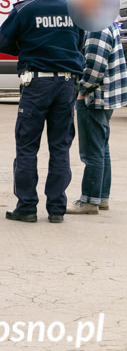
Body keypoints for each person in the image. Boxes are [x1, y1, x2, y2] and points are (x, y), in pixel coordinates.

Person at [0, 0, 84, 224]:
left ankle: (27, 207)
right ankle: (57, 209)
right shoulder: (73, 9)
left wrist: (26, 48)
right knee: (60, 148)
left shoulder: (24, 9)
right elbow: (78, 43)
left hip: (36, 85)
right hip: (67, 85)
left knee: (27, 147)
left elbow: (0, 43)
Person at [67, 19, 127, 214]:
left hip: (95, 97)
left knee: (91, 151)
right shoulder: (108, 23)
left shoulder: (96, 27)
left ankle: (89, 201)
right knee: (101, 147)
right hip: (107, 95)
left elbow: (94, 66)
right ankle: (101, 197)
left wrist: (82, 90)